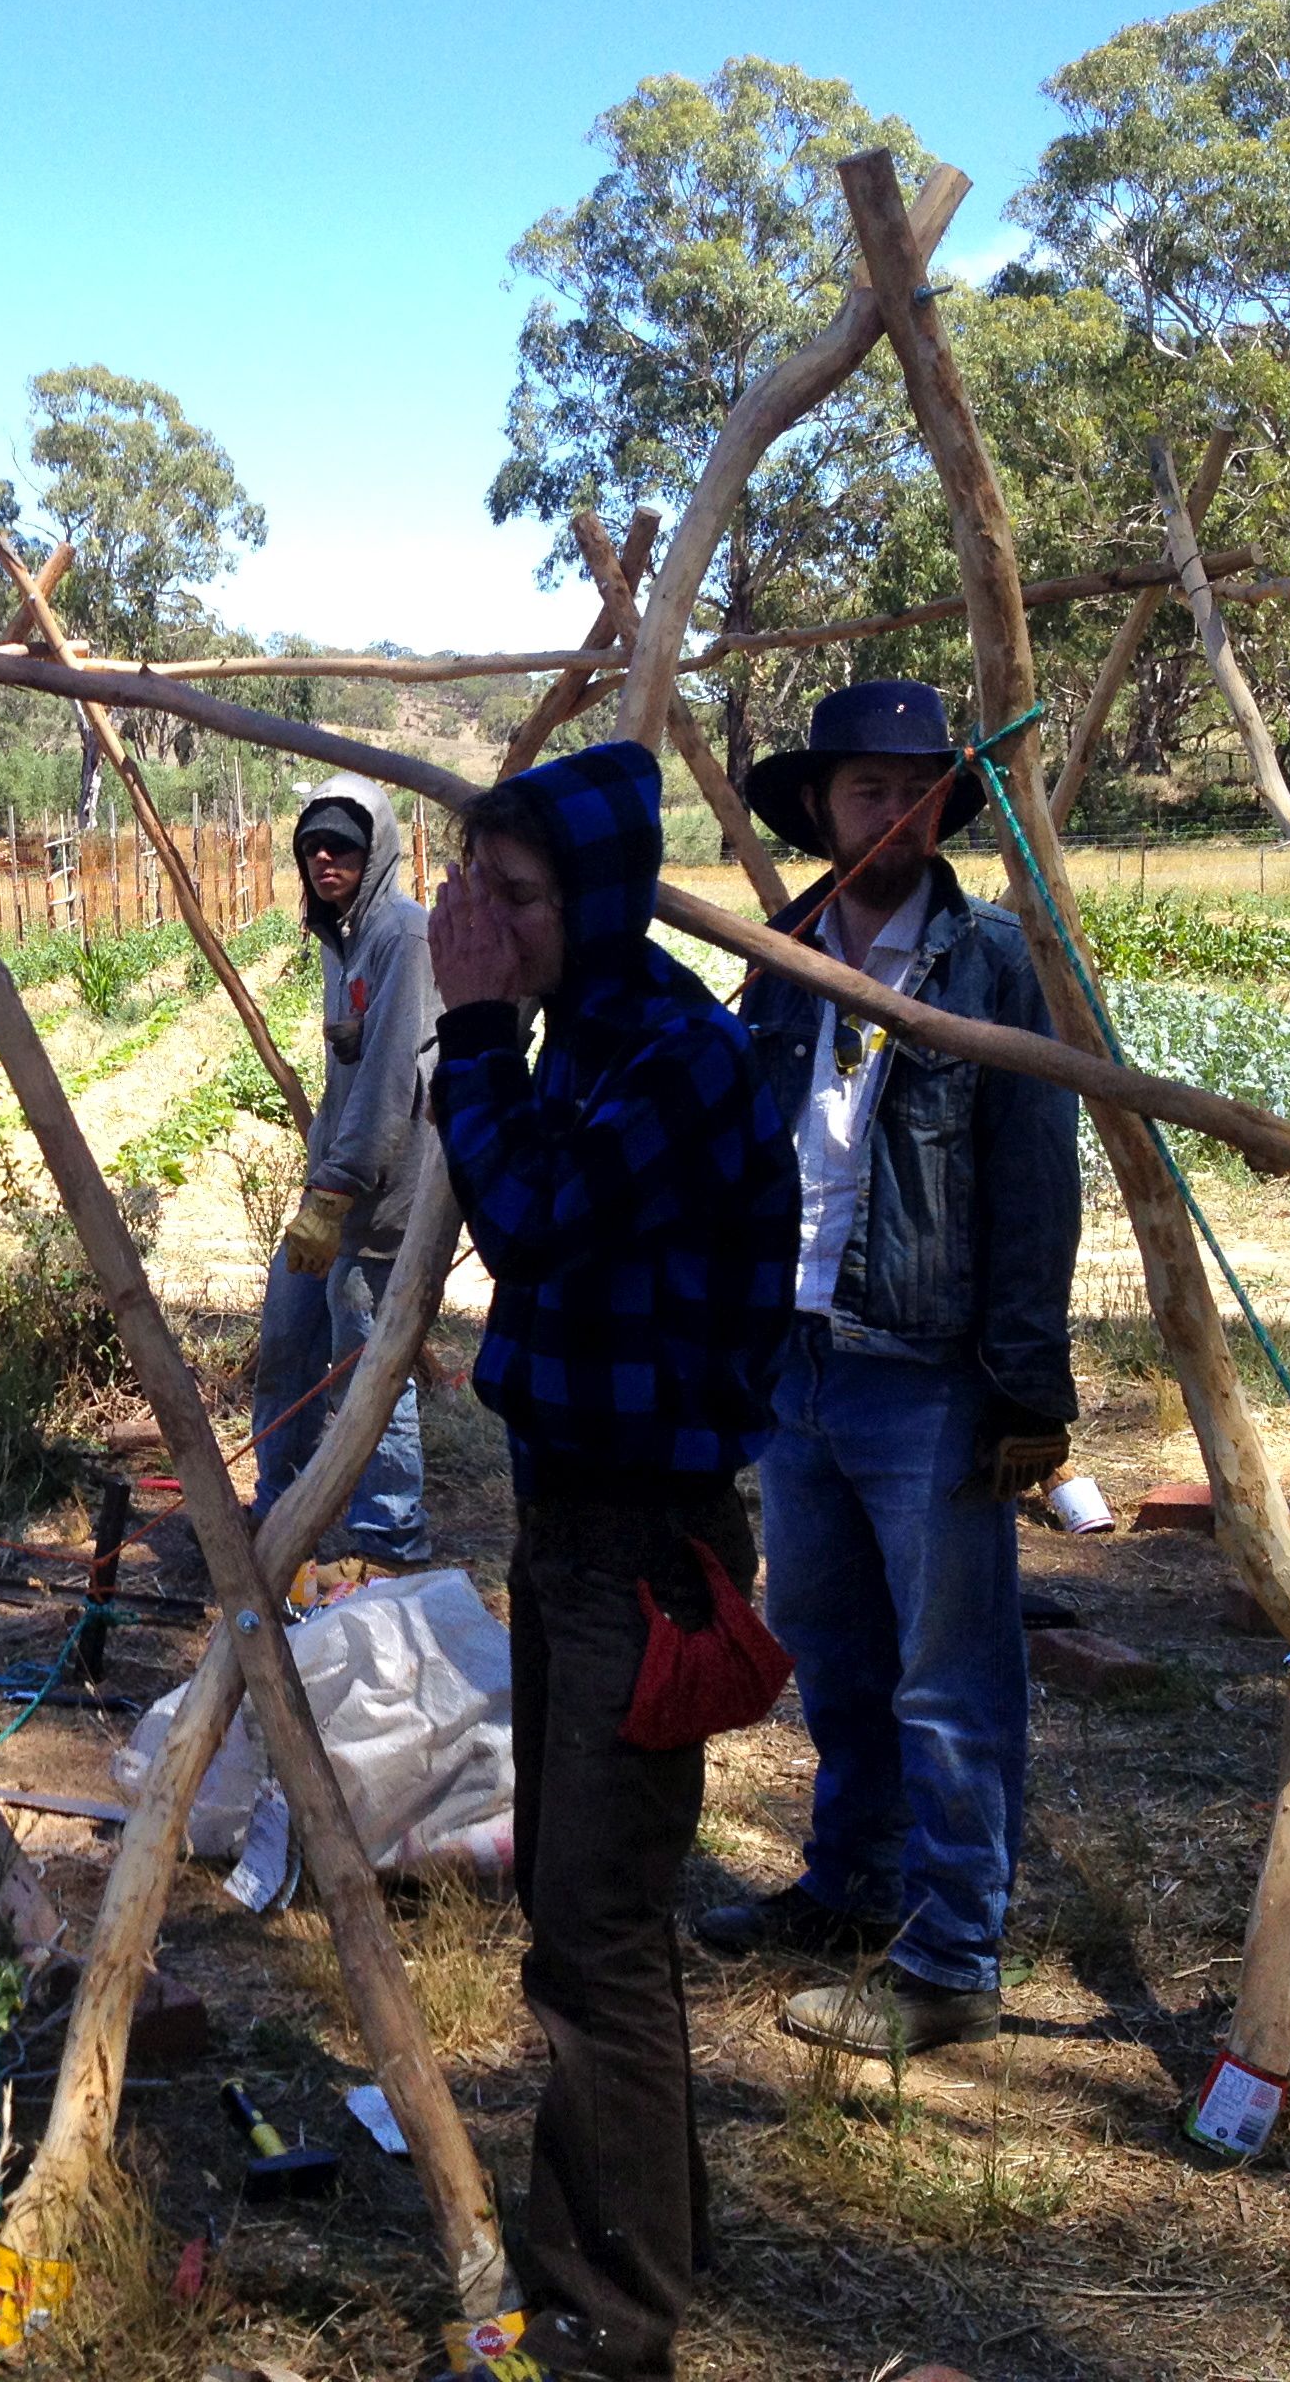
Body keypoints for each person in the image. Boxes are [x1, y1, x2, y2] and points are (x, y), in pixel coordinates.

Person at [430, 738, 796, 2382]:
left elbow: (523, 1220)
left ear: (588, 899)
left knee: (590, 1938)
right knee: (591, 1916)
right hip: (564, 1521)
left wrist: (460, 1029)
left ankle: (601, 2324)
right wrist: (494, 1029)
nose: (479, 919)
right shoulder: (583, 1030)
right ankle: (649, 2235)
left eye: (512, 894)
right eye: (474, 888)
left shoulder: (671, 1056)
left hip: (640, 1548)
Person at [697, 680, 1082, 2057]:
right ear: (819, 805)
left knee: (949, 1671)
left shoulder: (989, 968)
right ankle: (848, 1884)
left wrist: (1029, 1391)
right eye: (869, 789)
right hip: (797, 1357)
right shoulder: (783, 952)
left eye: (917, 791)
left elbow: (1037, 1181)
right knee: (834, 1650)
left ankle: (951, 1958)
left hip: (927, 1370)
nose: (896, 813)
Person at [247, 778, 436, 1563]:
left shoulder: (402, 935)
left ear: (376, 852)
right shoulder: (343, 936)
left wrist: (337, 1185)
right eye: (312, 846)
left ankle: (388, 1536)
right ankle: (280, 1509)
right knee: (288, 1335)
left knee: (368, 1369)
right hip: (329, 1190)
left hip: (379, 1202)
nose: (325, 858)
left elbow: (395, 1078)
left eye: (343, 847)